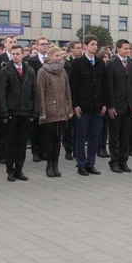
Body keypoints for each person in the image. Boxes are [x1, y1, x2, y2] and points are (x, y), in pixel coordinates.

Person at [0, 44, 39, 182]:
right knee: (10, 142)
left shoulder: (30, 70)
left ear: (22, 55)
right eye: (13, 54)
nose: (15, 56)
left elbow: (34, 92)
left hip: (26, 111)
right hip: (11, 112)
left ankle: (19, 169)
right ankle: (10, 170)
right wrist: (3, 112)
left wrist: (34, 112)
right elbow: (1, 93)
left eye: (17, 54)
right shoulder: (5, 70)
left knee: (22, 143)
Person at [69, 35, 107, 176]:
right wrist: (75, 104)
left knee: (95, 137)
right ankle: (81, 164)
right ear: (85, 46)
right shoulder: (78, 63)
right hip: (82, 106)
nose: (95, 47)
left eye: (96, 44)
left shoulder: (100, 63)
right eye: (92, 44)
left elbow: (104, 85)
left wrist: (104, 103)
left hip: (97, 106)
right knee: (81, 137)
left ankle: (91, 163)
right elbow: (72, 85)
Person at [36, 46, 73, 177]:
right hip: (49, 110)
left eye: (61, 56)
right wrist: (42, 112)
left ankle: (55, 165)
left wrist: (69, 108)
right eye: (57, 56)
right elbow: (40, 92)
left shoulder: (62, 72)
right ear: (49, 57)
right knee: (49, 140)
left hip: (61, 111)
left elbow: (67, 91)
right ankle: (49, 166)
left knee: (57, 141)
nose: (60, 58)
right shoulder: (43, 71)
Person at [104, 39, 132, 173]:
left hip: (129, 105)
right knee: (114, 135)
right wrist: (110, 106)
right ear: (118, 49)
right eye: (125, 48)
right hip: (117, 105)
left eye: (129, 48)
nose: (128, 51)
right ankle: (114, 161)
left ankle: (124, 160)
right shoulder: (112, 64)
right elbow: (109, 86)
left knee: (126, 135)